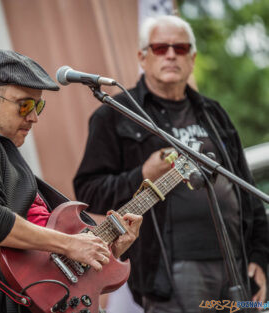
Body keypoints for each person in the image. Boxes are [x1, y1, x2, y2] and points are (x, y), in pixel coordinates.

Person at [74, 15, 268, 313]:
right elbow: (88, 190)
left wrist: (260, 256)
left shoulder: (213, 112)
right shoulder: (115, 115)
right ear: (143, 56)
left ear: (192, 58)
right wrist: (142, 174)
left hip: (236, 262)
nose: (171, 55)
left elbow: (246, 187)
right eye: (160, 47)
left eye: (180, 48)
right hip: (170, 275)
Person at [0, 49, 143, 313]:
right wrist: (70, 244)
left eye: (38, 105)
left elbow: (43, 256)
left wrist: (108, 249)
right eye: (25, 105)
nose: (34, 116)